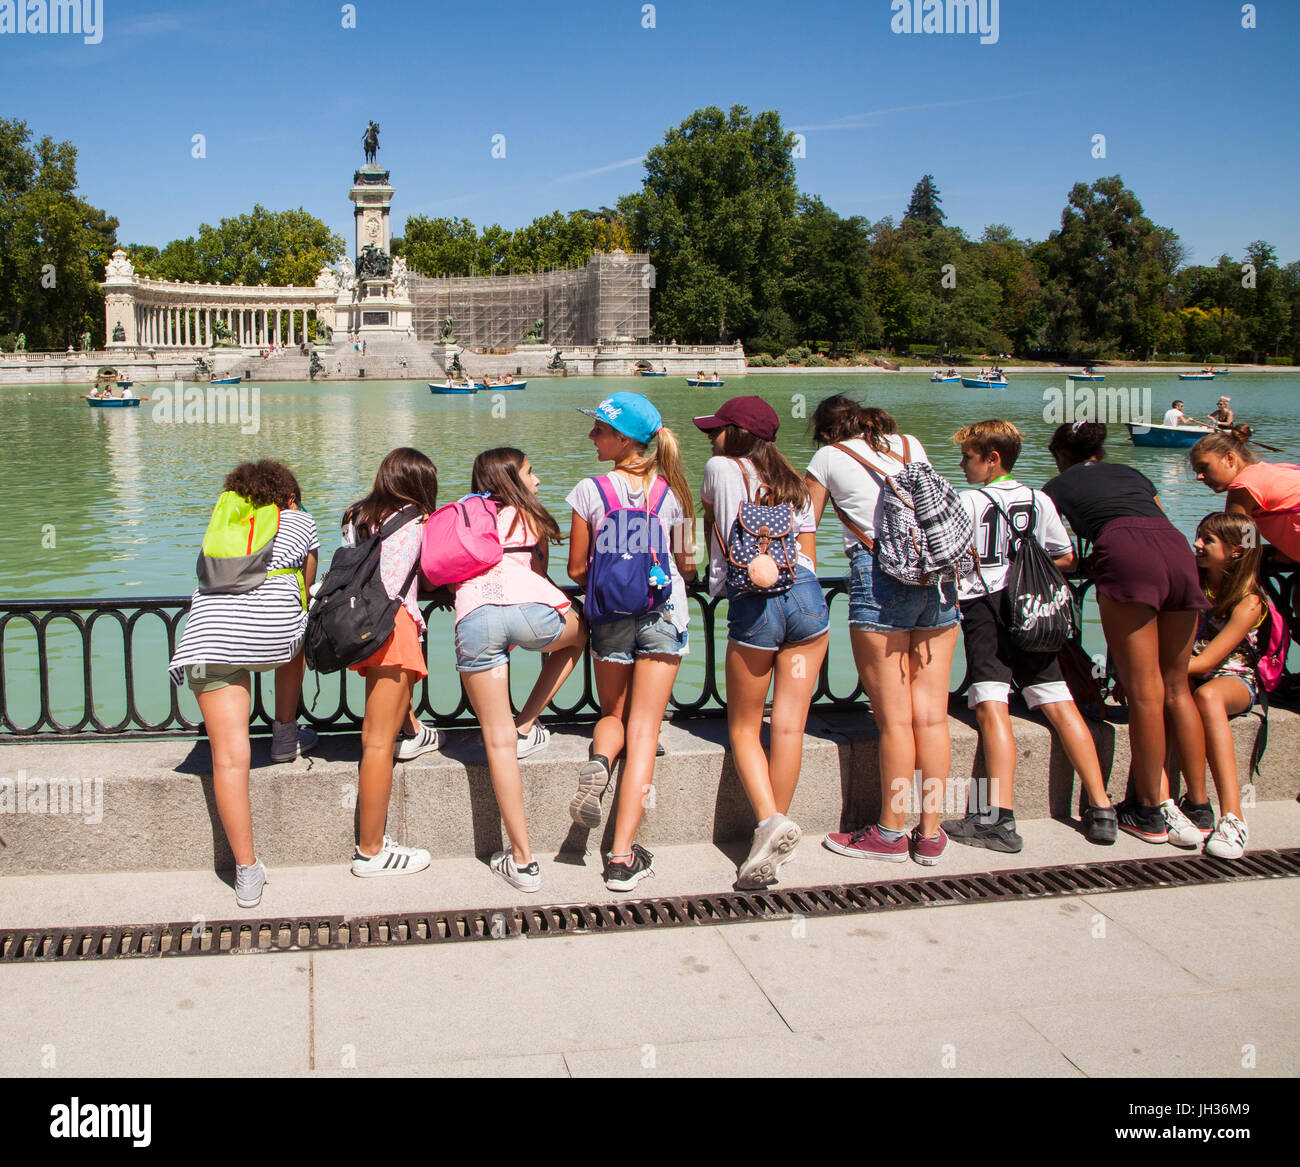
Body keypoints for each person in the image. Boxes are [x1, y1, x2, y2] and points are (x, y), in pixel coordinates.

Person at [947, 420, 1115, 850]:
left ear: (992, 459)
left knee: (991, 704)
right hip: (1034, 608)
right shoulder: (1040, 498)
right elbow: (1065, 557)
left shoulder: (967, 501)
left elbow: (950, 560)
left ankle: (998, 820)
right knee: (1058, 700)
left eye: (969, 457)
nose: (963, 464)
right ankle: (1100, 807)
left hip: (986, 608)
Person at [805, 395, 959, 864]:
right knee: (931, 716)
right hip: (936, 577)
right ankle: (930, 833)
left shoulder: (828, 457)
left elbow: (804, 523)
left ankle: (890, 833)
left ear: (827, 430)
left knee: (894, 718)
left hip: (878, 575)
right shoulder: (911, 444)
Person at [1043, 421, 1208, 844]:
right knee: (1177, 686)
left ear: (1061, 455)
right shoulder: (1133, 474)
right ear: (1098, 450)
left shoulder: (1058, 485)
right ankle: (1200, 806)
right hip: (1176, 548)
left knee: (1143, 691)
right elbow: (1159, 514)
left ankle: (1148, 810)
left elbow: (1057, 546)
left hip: (1124, 551)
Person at [167, 461, 319, 909]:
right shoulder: (300, 520)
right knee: (301, 628)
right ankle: (284, 736)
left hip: (204, 642)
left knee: (230, 760)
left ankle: (247, 872)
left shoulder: (224, 527)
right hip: (273, 640)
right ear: (288, 497)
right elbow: (305, 586)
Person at [696, 397, 829, 888]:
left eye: (718, 428)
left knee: (746, 727)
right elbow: (808, 550)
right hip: (809, 602)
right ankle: (777, 829)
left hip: (756, 605)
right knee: (789, 727)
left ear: (738, 434)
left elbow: (715, 526)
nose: (711, 437)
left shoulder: (721, 468)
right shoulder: (796, 481)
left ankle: (769, 823)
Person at [566, 393, 697, 891]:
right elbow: (687, 563)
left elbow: (577, 569)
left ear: (625, 440)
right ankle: (621, 858)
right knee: (645, 730)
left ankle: (599, 763)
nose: (592, 436)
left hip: (611, 618)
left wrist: (611, 575)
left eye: (599, 429)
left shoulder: (589, 491)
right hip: (664, 613)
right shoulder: (675, 494)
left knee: (612, 715)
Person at [453, 448, 587, 892]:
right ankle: (528, 721)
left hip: (473, 618)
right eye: (532, 472)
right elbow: (543, 577)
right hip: (531, 613)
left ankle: (524, 863)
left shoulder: (466, 516)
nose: (538, 480)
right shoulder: (531, 518)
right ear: (511, 478)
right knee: (580, 633)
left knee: (496, 742)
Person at [342, 448, 441, 877]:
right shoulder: (420, 522)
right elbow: (435, 572)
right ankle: (371, 851)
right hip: (394, 625)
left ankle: (413, 729)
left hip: (361, 623)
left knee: (385, 724)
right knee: (377, 745)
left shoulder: (355, 517)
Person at [1190, 431, 1300, 565]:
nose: (1199, 477)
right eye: (1196, 472)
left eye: (1203, 467)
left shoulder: (1243, 486)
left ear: (1229, 459)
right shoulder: (1282, 469)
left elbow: (1239, 545)